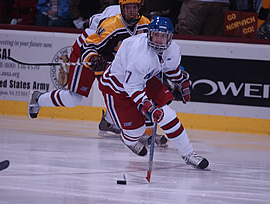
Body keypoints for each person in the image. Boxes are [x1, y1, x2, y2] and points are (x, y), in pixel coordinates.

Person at [28, 0, 167, 145]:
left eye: (134, 7)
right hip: (89, 52)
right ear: (122, 7)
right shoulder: (112, 20)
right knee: (73, 99)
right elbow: (89, 43)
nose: (131, 11)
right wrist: (93, 58)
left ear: (140, 6)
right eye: (127, 7)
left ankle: (109, 121)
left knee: (125, 93)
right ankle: (38, 98)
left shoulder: (145, 24)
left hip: (111, 61)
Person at [98, 16, 209, 169]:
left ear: (169, 37)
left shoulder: (173, 50)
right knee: (136, 131)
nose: (158, 39)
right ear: (149, 34)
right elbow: (132, 88)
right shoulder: (140, 55)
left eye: (163, 36)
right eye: (155, 35)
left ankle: (188, 154)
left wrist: (182, 82)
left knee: (168, 115)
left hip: (145, 79)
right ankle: (128, 139)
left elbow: (171, 69)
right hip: (117, 87)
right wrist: (149, 108)